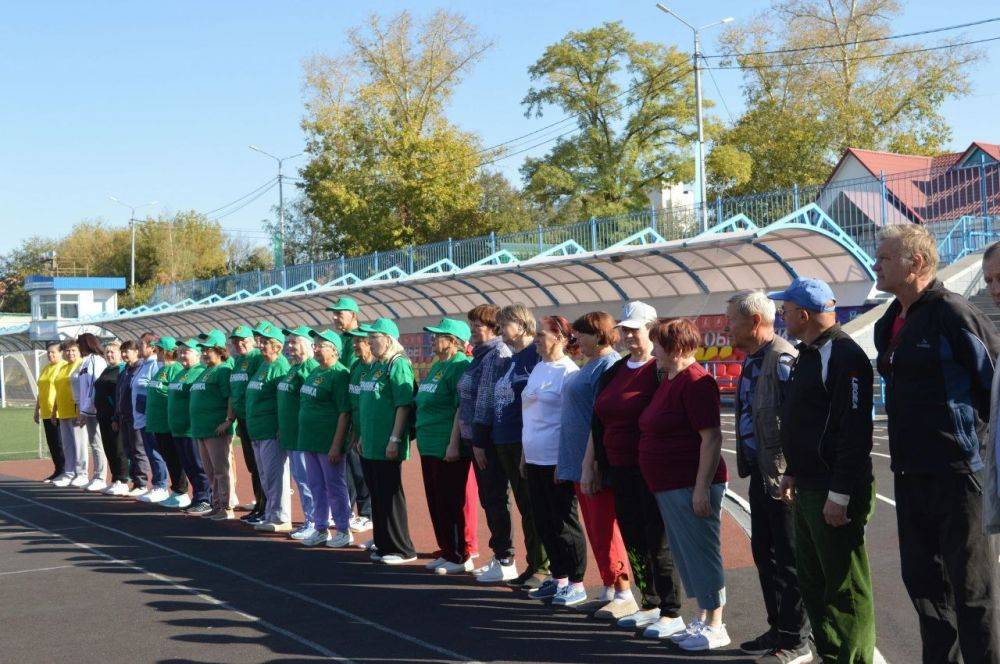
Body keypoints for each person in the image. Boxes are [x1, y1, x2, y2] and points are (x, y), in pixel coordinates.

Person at [873, 225, 998, 664]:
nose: (876, 264)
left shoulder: (953, 312)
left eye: (885, 257)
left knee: (971, 592)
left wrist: (976, 447)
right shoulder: (891, 320)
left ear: (917, 263)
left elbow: (993, 383)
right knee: (924, 588)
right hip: (909, 474)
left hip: (959, 475)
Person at [771, 277, 876, 663]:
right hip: (810, 484)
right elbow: (806, 421)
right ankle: (832, 654)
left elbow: (854, 430)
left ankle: (855, 657)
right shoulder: (808, 353)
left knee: (844, 586)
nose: (781, 316)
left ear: (803, 313)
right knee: (814, 582)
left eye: (785, 310)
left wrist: (840, 493)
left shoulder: (845, 355)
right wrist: (794, 469)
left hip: (834, 487)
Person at [582, 301, 684, 636]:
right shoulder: (615, 371)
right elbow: (598, 420)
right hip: (619, 468)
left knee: (657, 541)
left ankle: (671, 611)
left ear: (652, 330)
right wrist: (594, 463)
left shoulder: (660, 370)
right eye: (624, 330)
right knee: (634, 538)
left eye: (634, 330)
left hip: (652, 469)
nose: (628, 336)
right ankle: (650, 602)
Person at [726, 290, 811, 662]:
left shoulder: (783, 359)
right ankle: (778, 628)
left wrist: (792, 471)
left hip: (783, 480)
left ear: (755, 322)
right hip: (761, 476)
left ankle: (796, 640)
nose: (727, 328)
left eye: (732, 321)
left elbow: (797, 422)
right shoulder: (752, 360)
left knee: (790, 559)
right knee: (766, 554)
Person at [641, 318, 730, 651]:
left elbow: (711, 438)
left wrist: (700, 488)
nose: (653, 350)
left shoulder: (696, 382)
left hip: (688, 484)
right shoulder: (671, 379)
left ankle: (717, 625)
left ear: (675, 347)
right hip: (670, 485)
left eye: (658, 344)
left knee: (703, 554)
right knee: (688, 556)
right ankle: (705, 619)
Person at [472, 303, 549, 587]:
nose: (500, 330)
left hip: (522, 442)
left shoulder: (534, 358)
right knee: (521, 503)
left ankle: (543, 568)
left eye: (505, 324)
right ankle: (533, 566)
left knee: (531, 505)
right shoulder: (512, 359)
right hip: (502, 440)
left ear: (520, 324)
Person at [558, 312, 630, 613]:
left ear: (599, 334)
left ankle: (623, 591)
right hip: (577, 459)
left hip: (593, 461)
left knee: (605, 526)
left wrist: (594, 463)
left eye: (582, 334)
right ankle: (609, 585)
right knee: (594, 527)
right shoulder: (590, 364)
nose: (577, 340)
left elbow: (600, 419)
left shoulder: (608, 365)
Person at [520, 315, 586, 605]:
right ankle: (558, 577)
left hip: (555, 460)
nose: (536, 339)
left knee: (563, 522)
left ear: (559, 338)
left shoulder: (568, 372)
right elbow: (530, 416)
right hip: (534, 457)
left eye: (541, 334)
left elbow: (570, 423)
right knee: (543, 520)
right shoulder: (539, 368)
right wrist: (524, 455)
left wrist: (564, 460)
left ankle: (577, 581)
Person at [415, 318, 473, 574]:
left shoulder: (461, 366)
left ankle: (459, 555)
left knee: (451, 500)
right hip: (428, 444)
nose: (432, 340)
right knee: (436, 499)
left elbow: (461, 408)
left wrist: (453, 444)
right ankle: (446, 549)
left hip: (446, 445)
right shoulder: (439, 366)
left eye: (437, 336)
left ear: (453, 341)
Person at [358, 318, 417, 565]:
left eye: (375, 337)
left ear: (389, 339)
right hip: (370, 443)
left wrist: (395, 438)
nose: (370, 342)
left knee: (390, 495)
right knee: (377, 495)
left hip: (386, 443)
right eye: (369, 338)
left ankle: (402, 548)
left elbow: (403, 404)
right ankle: (383, 543)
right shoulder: (374, 366)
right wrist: (362, 436)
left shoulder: (398, 364)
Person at [299, 329, 354, 548]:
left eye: (320, 345)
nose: (316, 348)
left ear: (334, 350)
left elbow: (344, 412)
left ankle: (343, 529)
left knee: (334, 486)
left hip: (327, 442)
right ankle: (321, 528)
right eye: (315, 344)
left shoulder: (339, 374)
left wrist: (336, 445)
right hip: (309, 440)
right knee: (315, 485)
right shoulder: (314, 372)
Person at [329, 296, 372, 534]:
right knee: (346, 465)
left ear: (354, 315)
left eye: (340, 313)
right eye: (334, 313)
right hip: (343, 410)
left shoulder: (362, 338)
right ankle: (350, 511)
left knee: (359, 464)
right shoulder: (340, 339)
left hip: (358, 412)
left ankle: (366, 513)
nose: (335, 317)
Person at [245, 321, 293, 532]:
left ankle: (281, 517)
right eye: (260, 341)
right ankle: (271, 513)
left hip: (270, 430)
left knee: (275, 475)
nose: (260, 345)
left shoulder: (281, 366)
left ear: (278, 346)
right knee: (265, 475)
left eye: (265, 342)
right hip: (256, 430)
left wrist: (281, 426)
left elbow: (283, 401)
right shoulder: (264, 365)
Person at [278, 326, 320, 541]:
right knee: (301, 480)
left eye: (295, 342)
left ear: (308, 345)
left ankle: (314, 522)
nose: (290, 346)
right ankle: (310, 520)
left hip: (303, 436)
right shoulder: (294, 368)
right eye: (289, 342)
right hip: (291, 435)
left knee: (308, 481)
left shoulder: (311, 368)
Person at [190, 330, 236, 521]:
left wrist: (229, 420)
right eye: (203, 350)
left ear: (219, 351)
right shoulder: (206, 371)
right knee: (210, 471)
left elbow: (230, 397)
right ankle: (216, 504)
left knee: (220, 470)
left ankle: (226, 507)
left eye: (208, 349)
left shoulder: (223, 370)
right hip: (201, 429)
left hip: (216, 430)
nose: (204, 353)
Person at [167, 338, 212, 516]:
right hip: (178, 429)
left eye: (187, 351)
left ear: (198, 354)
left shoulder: (200, 372)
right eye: (181, 351)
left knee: (198, 466)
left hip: (191, 429)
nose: (182, 355)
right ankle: (197, 498)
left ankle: (205, 499)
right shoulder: (181, 373)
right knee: (189, 466)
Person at [227, 324, 266, 523]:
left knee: (261, 466)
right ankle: (259, 504)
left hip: (256, 419)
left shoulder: (257, 358)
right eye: (235, 341)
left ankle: (265, 507)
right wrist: (231, 418)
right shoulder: (238, 361)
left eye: (242, 340)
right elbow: (234, 393)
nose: (238, 344)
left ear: (252, 341)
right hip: (243, 419)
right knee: (252, 465)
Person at [145, 337, 191, 509]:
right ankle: (177, 491)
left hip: (169, 424)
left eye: (157, 349)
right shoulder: (162, 369)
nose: (155, 352)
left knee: (175, 458)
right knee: (169, 458)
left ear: (165, 351)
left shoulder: (175, 369)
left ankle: (181, 492)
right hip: (158, 424)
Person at [134, 333, 171, 503]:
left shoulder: (155, 365)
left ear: (151, 347)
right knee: (149, 451)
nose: (138, 348)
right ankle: (157, 484)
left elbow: (159, 387)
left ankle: (161, 485)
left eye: (141, 345)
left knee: (156, 452)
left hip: (151, 415)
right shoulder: (143, 364)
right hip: (140, 414)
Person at [345, 329, 374, 540]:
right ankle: (357, 512)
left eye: (359, 342)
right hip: (355, 428)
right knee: (353, 472)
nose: (355, 345)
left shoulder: (375, 367)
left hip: (371, 430)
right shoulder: (355, 366)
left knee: (365, 474)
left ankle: (367, 514)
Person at [72, 333, 109, 492]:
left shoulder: (97, 360)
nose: (78, 348)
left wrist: (87, 410)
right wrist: (82, 410)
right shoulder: (84, 362)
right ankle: (96, 476)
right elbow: (83, 389)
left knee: (98, 443)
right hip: (87, 410)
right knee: (94, 443)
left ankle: (101, 477)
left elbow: (96, 385)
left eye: (79, 345)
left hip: (95, 409)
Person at [94, 342, 130, 496]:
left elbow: (120, 395)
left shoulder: (122, 369)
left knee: (118, 448)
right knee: (109, 448)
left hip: (115, 417)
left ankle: (123, 480)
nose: (109, 355)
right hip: (103, 416)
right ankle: (115, 478)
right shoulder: (107, 369)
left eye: (112, 352)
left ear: (120, 353)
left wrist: (117, 416)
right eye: (107, 352)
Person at [116, 341, 151, 496]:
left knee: (138, 450)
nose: (124, 354)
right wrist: (116, 415)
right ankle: (135, 482)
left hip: (136, 416)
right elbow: (119, 395)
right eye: (122, 351)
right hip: (124, 416)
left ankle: (142, 483)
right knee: (128, 450)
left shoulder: (142, 368)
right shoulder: (124, 371)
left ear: (137, 351)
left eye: (127, 351)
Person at [51, 340, 85, 487]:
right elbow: (59, 391)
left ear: (79, 351)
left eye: (73, 350)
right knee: (68, 445)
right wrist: (54, 411)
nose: (70, 353)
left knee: (79, 444)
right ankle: (69, 473)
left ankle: (81, 474)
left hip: (75, 411)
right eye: (67, 351)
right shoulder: (63, 367)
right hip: (63, 412)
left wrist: (80, 411)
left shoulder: (82, 364)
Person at [35, 342, 66, 482]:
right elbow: (40, 392)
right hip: (46, 412)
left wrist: (56, 410)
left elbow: (63, 390)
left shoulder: (63, 366)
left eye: (53, 352)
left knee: (60, 443)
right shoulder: (45, 368)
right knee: (52, 444)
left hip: (59, 412)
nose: (50, 355)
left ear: (61, 353)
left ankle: (65, 471)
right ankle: (58, 470)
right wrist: (37, 410)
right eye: (48, 352)